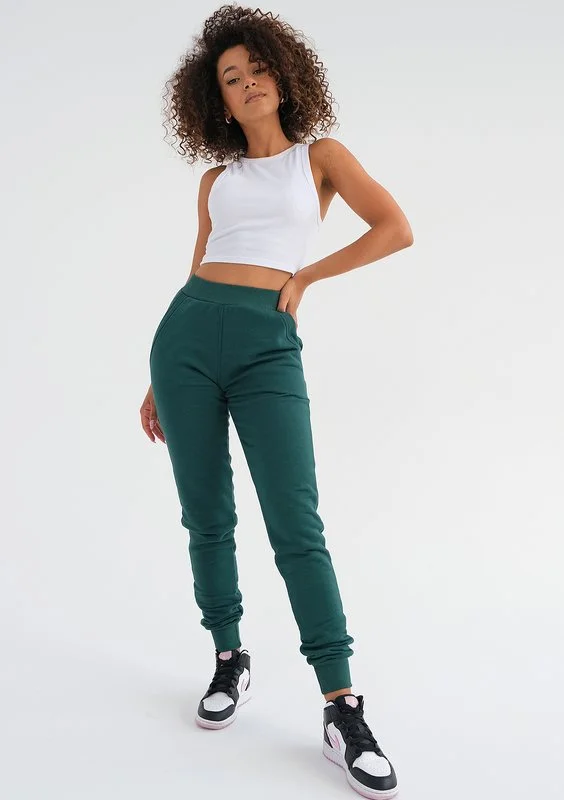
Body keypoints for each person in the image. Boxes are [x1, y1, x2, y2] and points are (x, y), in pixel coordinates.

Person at [140, 5, 412, 798]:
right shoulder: (216, 181)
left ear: (283, 77)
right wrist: (157, 377)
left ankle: (341, 707)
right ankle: (229, 657)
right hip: (186, 339)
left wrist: (307, 277)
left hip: (268, 342)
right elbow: (198, 264)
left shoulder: (320, 158)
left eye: (258, 69)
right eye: (232, 78)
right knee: (206, 514)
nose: (249, 83)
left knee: (296, 525)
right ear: (219, 102)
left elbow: (395, 228)